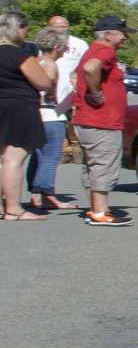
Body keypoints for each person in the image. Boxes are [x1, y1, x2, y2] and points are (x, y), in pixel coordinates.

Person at [66, 14, 132, 226]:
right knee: (103, 164)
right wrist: (95, 93)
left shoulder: (91, 50)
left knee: (92, 166)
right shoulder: (104, 50)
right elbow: (90, 68)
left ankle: (96, 208)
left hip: (87, 120)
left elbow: (77, 74)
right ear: (109, 34)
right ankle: (100, 212)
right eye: (123, 34)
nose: (125, 38)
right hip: (101, 121)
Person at [0, 12, 53, 222]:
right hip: (19, 109)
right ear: (18, 29)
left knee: (2, 160)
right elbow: (43, 83)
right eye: (25, 29)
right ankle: (13, 208)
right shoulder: (20, 55)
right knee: (13, 160)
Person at [28, 26, 75, 212]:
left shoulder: (35, 61)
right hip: (50, 115)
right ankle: (45, 193)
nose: (66, 50)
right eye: (64, 46)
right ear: (56, 47)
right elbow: (45, 91)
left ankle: (36, 192)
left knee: (37, 157)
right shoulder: (50, 65)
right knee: (51, 156)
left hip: (35, 115)